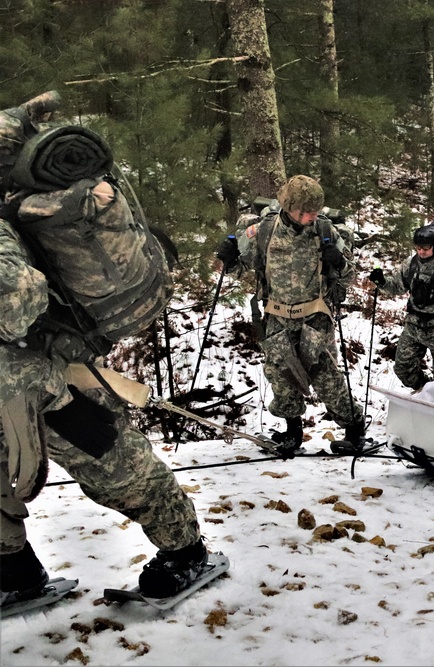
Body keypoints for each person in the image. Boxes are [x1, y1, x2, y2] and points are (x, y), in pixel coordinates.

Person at [1, 96, 212, 606]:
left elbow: (18, 296)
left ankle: (186, 551)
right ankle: (15, 575)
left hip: (35, 381)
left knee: (112, 461)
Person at [215, 175, 365, 451]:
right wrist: (229, 259)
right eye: (305, 211)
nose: (310, 216)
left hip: (314, 317)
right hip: (277, 315)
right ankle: (292, 432)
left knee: (326, 378)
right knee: (281, 377)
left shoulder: (325, 231)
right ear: (288, 206)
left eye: (315, 211)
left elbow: (349, 276)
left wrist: (339, 262)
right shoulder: (264, 230)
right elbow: (244, 269)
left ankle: (355, 429)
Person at [367, 225, 434, 391]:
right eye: (418, 248)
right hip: (414, 324)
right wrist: (381, 282)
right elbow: (397, 286)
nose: (422, 252)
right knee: (403, 369)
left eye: (426, 248)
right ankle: (425, 391)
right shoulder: (411, 264)